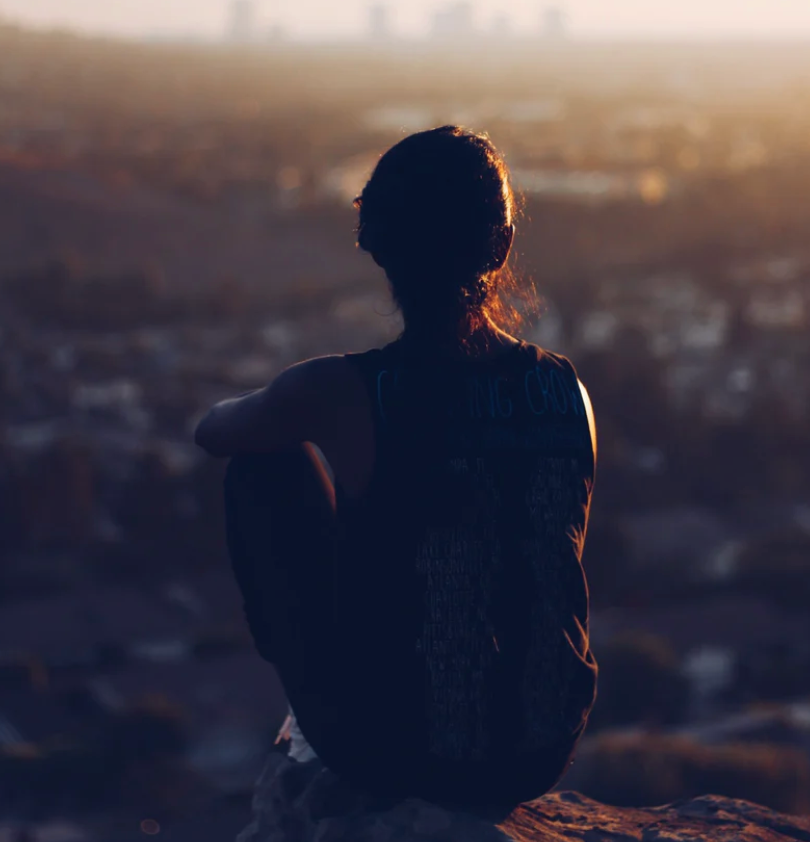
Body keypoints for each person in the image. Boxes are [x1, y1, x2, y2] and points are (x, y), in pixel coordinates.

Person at [195, 126, 598, 813]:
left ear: (377, 246)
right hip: (539, 750)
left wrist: (292, 403)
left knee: (263, 468)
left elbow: (214, 432)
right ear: (499, 247)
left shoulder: (342, 391)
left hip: (390, 752)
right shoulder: (567, 391)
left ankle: (319, 714)